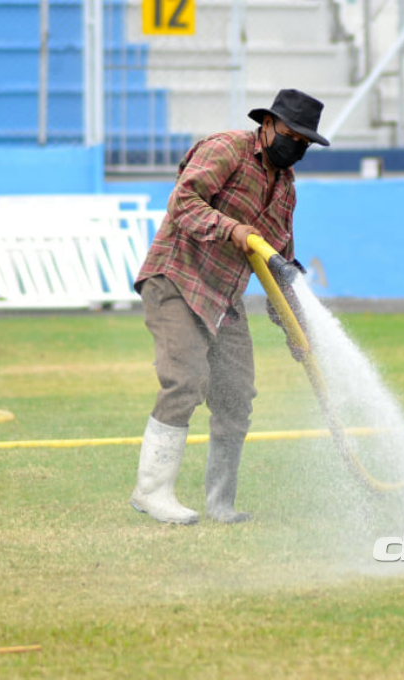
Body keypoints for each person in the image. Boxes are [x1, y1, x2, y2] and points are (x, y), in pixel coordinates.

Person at [130, 88, 330, 525]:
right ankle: (151, 491)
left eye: (304, 143)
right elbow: (183, 201)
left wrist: (298, 331)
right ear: (269, 125)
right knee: (185, 380)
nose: (295, 147)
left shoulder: (285, 190)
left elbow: (278, 266)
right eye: (291, 135)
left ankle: (221, 504)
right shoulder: (227, 149)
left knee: (236, 396)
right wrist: (233, 230)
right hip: (177, 277)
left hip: (224, 297)